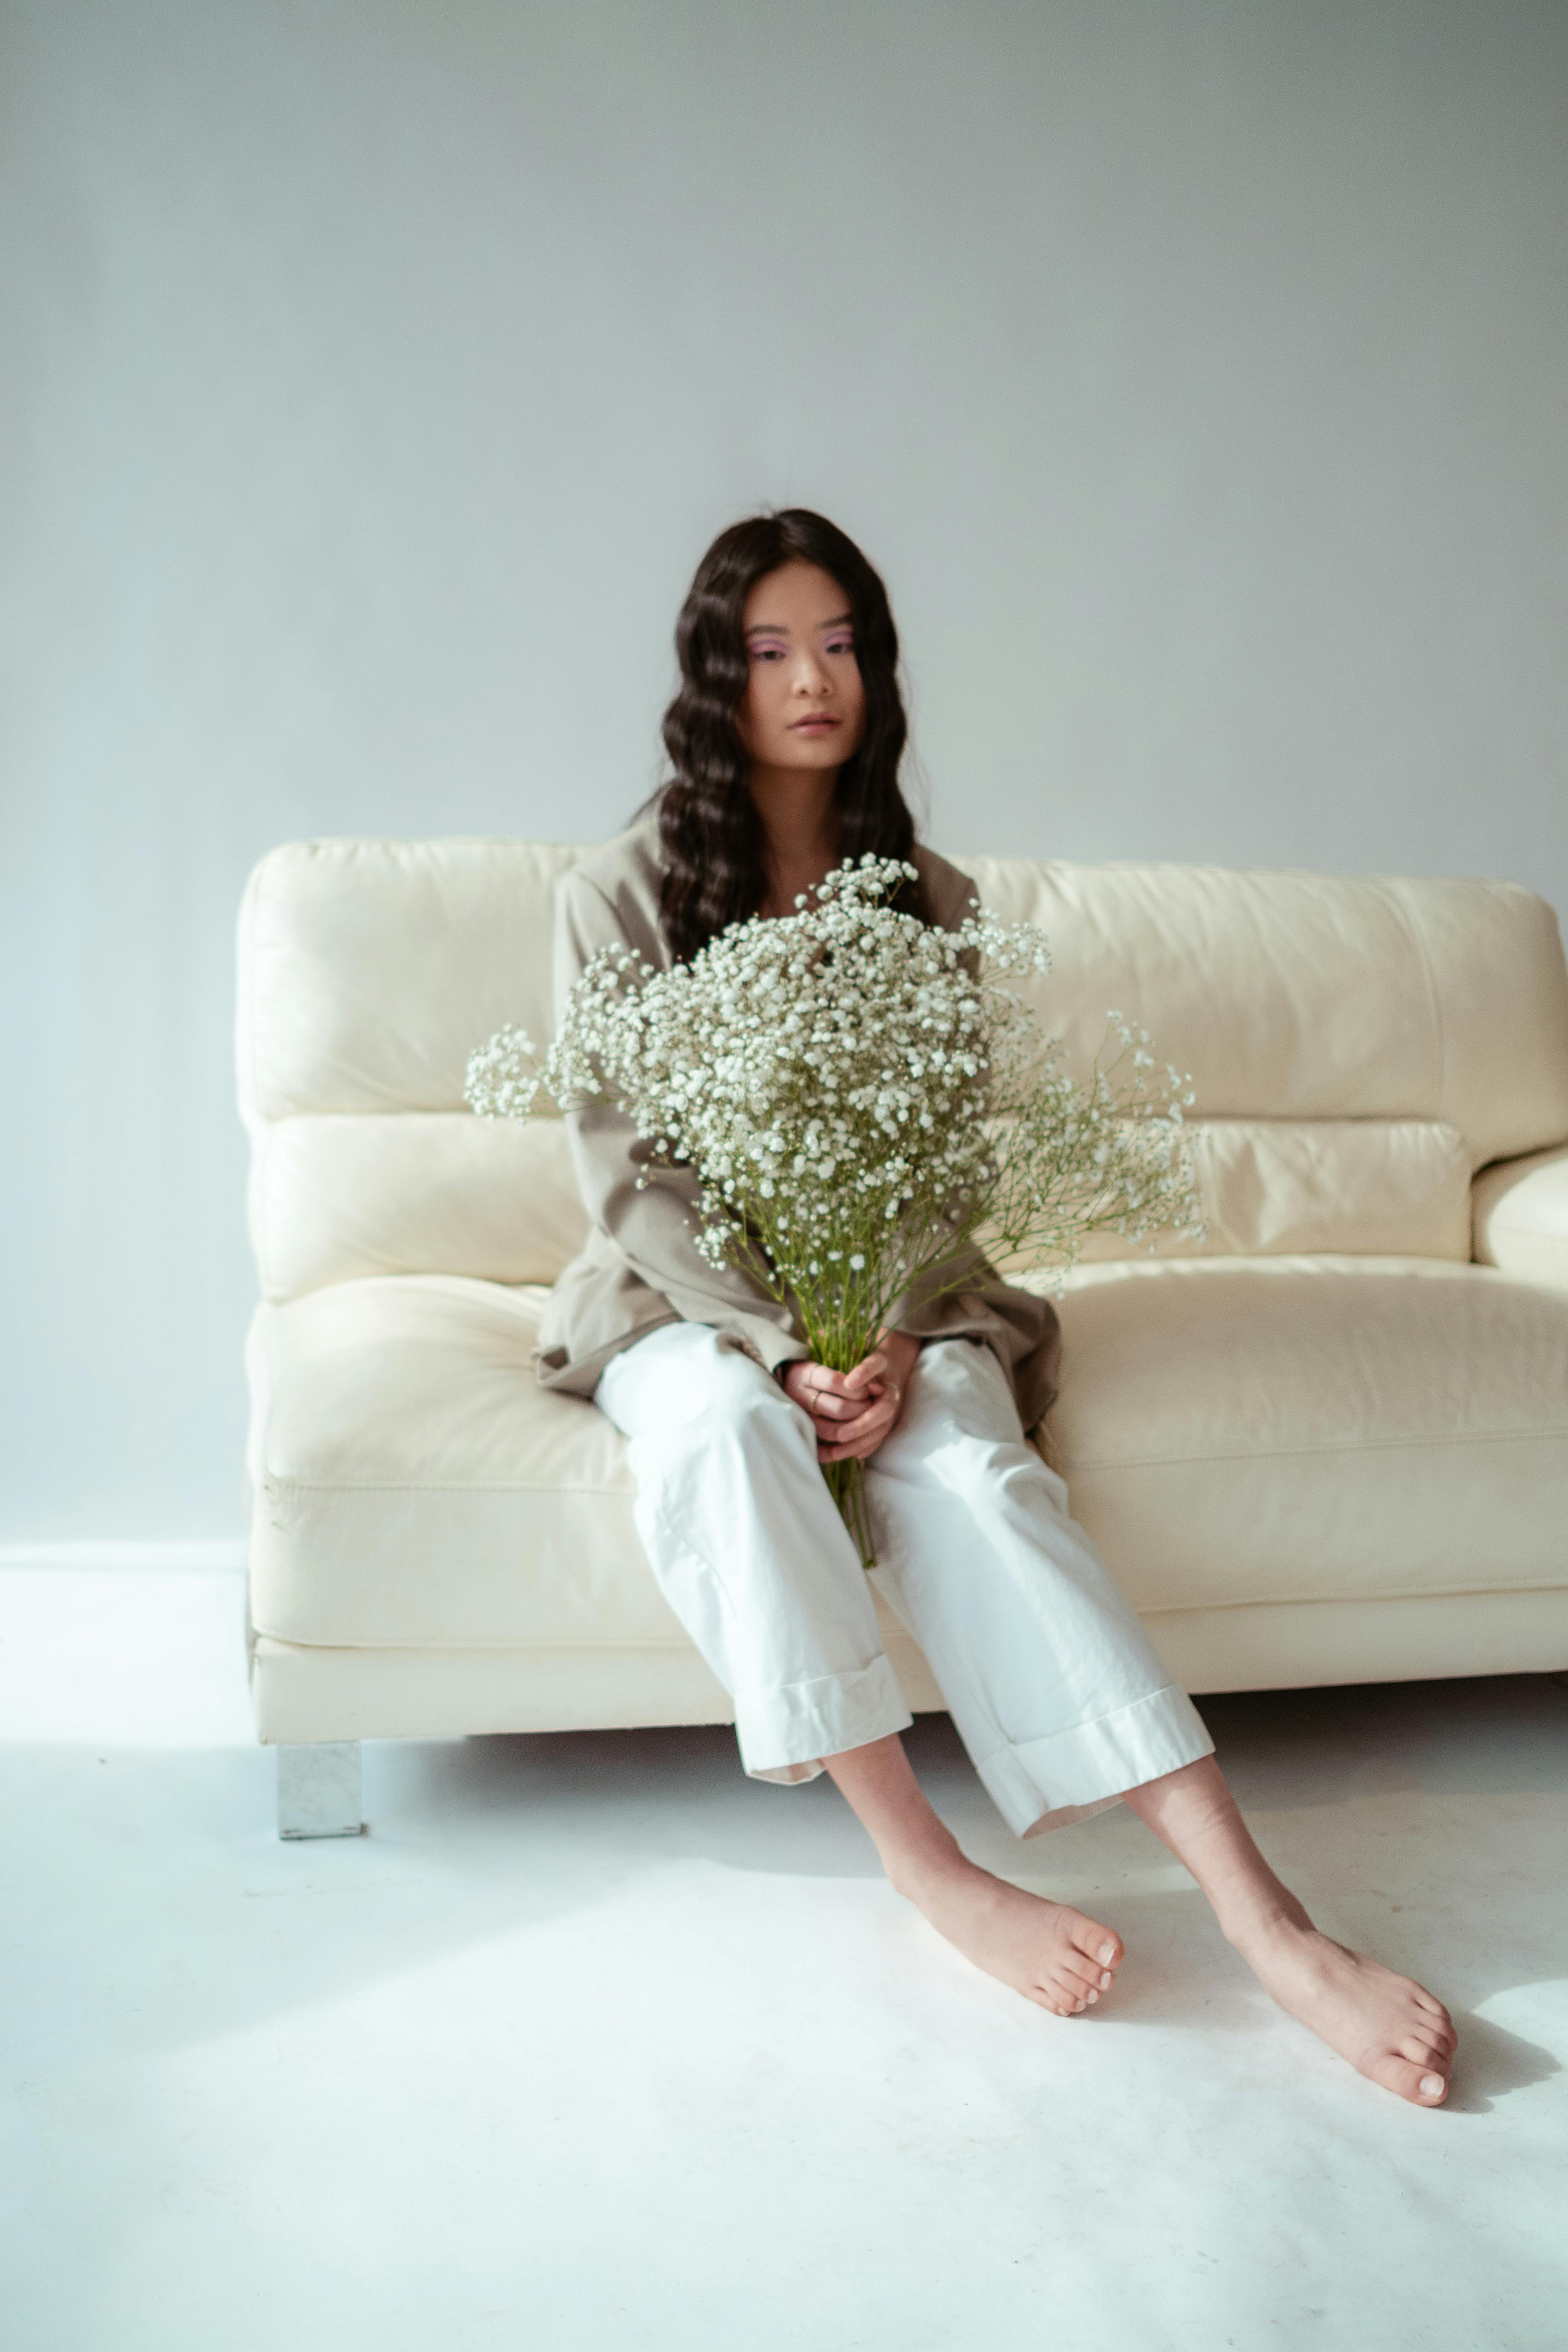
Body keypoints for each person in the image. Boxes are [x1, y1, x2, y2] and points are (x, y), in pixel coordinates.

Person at [536, 508, 1455, 2107]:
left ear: (879, 671)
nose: (811, 681)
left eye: (840, 645)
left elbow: (945, 1170)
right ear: (714, 677)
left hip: (905, 1300)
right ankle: (931, 1869)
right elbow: (628, 1176)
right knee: (729, 1435)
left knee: (970, 1476)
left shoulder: (932, 901)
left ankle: (1267, 1919)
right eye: (770, 650)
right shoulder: (614, 895)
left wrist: (891, 1334)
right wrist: (782, 1346)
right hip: (684, 1303)